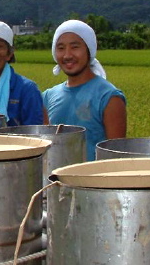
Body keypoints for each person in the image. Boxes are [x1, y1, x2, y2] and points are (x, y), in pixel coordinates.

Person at [42, 20, 127, 161]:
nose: (67, 55)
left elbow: (116, 156)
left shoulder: (109, 97)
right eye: (61, 48)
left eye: (75, 47)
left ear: (89, 49)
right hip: (55, 180)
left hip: (93, 180)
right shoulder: (47, 97)